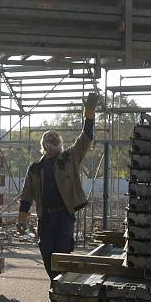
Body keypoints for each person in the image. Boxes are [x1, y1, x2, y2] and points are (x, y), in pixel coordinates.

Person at [18, 92, 98, 278]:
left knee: (62, 254)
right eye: (50, 141)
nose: (54, 143)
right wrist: (22, 217)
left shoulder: (69, 158)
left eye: (56, 140)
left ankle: (59, 287)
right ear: (44, 146)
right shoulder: (35, 168)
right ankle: (56, 283)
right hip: (45, 218)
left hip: (64, 216)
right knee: (46, 253)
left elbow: (85, 138)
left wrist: (89, 113)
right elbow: (27, 195)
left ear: (60, 144)